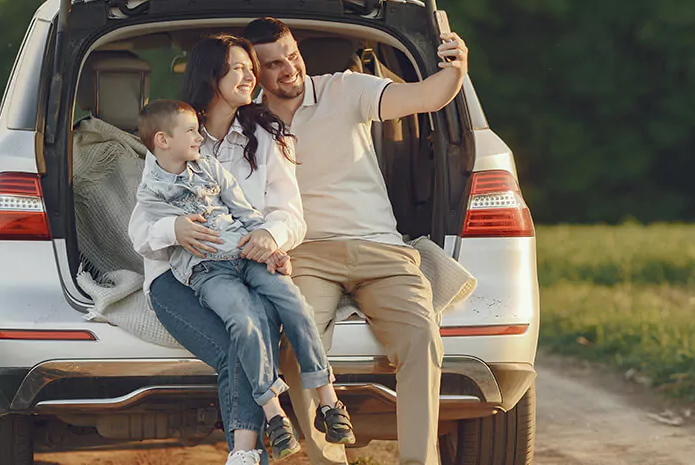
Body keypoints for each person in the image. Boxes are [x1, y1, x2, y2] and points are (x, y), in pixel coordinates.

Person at [244, 17, 470, 465]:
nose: (289, 69)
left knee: (422, 336)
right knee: (296, 343)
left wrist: (456, 70)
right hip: (303, 254)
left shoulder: (345, 89)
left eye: (292, 56)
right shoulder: (246, 120)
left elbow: (426, 96)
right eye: (273, 65)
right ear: (254, 73)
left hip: (381, 249)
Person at [132, 99, 357, 460]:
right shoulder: (151, 190)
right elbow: (143, 237)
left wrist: (271, 246)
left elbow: (246, 212)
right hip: (208, 271)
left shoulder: (210, 166)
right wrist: (172, 229)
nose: (197, 137)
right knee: (244, 321)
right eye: (190, 131)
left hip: (247, 254)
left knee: (294, 304)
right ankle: (273, 414)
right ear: (162, 140)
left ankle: (329, 401)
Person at [128, 35, 304, 465]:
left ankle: (243, 457)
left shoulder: (267, 137)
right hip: (176, 276)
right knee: (238, 343)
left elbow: (291, 214)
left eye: (250, 68)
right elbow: (140, 229)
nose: (250, 76)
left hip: (243, 265)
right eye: (237, 68)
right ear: (212, 75)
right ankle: (247, 454)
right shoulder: (176, 134)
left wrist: (271, 238)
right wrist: (176, 229)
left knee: (251, 328)